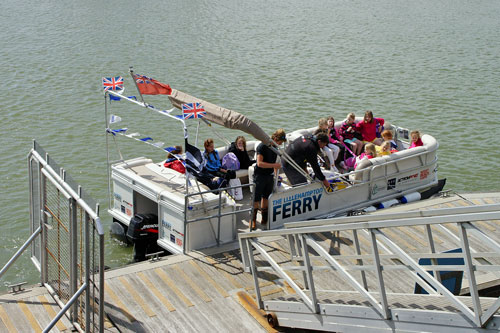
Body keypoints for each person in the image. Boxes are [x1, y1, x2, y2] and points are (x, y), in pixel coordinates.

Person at [251, 129, 286, 230]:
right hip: (260, 175)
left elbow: (275, 163)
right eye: (279, 142)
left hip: (269, 176)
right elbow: (259, 163)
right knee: (256, 199)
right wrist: (274, 165)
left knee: (266, 197)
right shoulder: (262, 146)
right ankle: (252, 220)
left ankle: (264, 218)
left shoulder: (274, 148)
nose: (280, 144)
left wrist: (275, 175)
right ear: (275, 138)